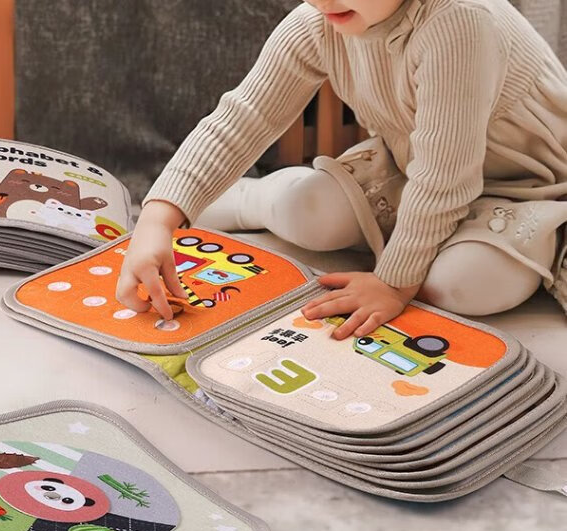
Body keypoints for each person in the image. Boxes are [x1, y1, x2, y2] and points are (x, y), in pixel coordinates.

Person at [115, 0, 567, 339]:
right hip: (411, 166)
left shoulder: (461, 21)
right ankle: (253, 198)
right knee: (308, 209)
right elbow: (243, 116)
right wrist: (158, 219)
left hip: (530, 187)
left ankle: (511, 244)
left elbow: (444, 177)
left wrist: (393, 283)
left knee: (462, 286)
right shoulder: (318, 21)